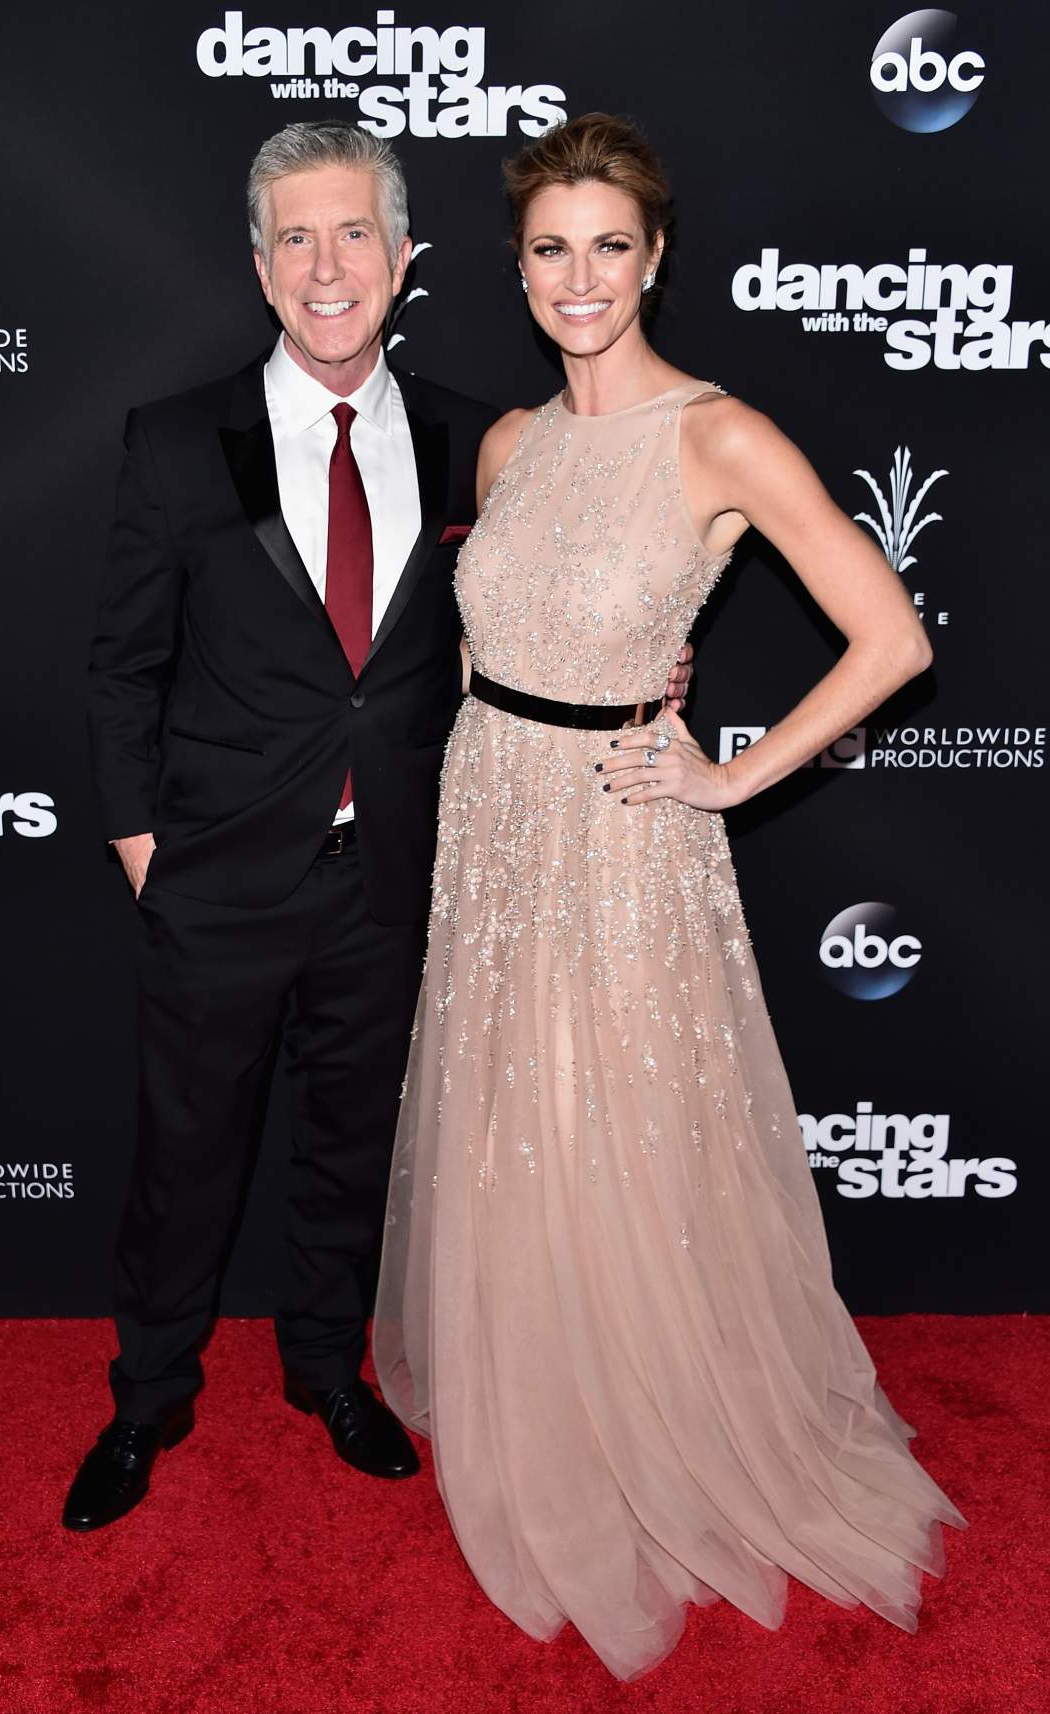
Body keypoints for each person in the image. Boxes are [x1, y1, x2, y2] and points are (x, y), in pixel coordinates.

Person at [373, 113, 966, 1680]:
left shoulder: (721, 436)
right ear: (516, 269)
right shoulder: (509, 444)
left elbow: (891, 636)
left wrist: (727, 773)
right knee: (513, 1118)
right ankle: (545, 1391)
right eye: (552, 251)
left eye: (610, 249)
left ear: (657, 259)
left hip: (624, 837)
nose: (582, 279)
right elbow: (506, 634)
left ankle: (654, 1417)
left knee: (611, 1121)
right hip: (490, 817)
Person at [64, 115, 698, 1533]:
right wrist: (142, 845)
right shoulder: (179, 441)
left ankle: (324, 1369)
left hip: (395, 872)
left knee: (355, 1144)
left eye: (355, 231)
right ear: (259, 264)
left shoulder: (482, 437)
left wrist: (648, 653)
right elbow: (123, 668)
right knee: (187, 1156)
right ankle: (147, 1395)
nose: (327, 262)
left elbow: (563, 590)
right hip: (215, 876)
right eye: (296, 236)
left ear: (404, 256)